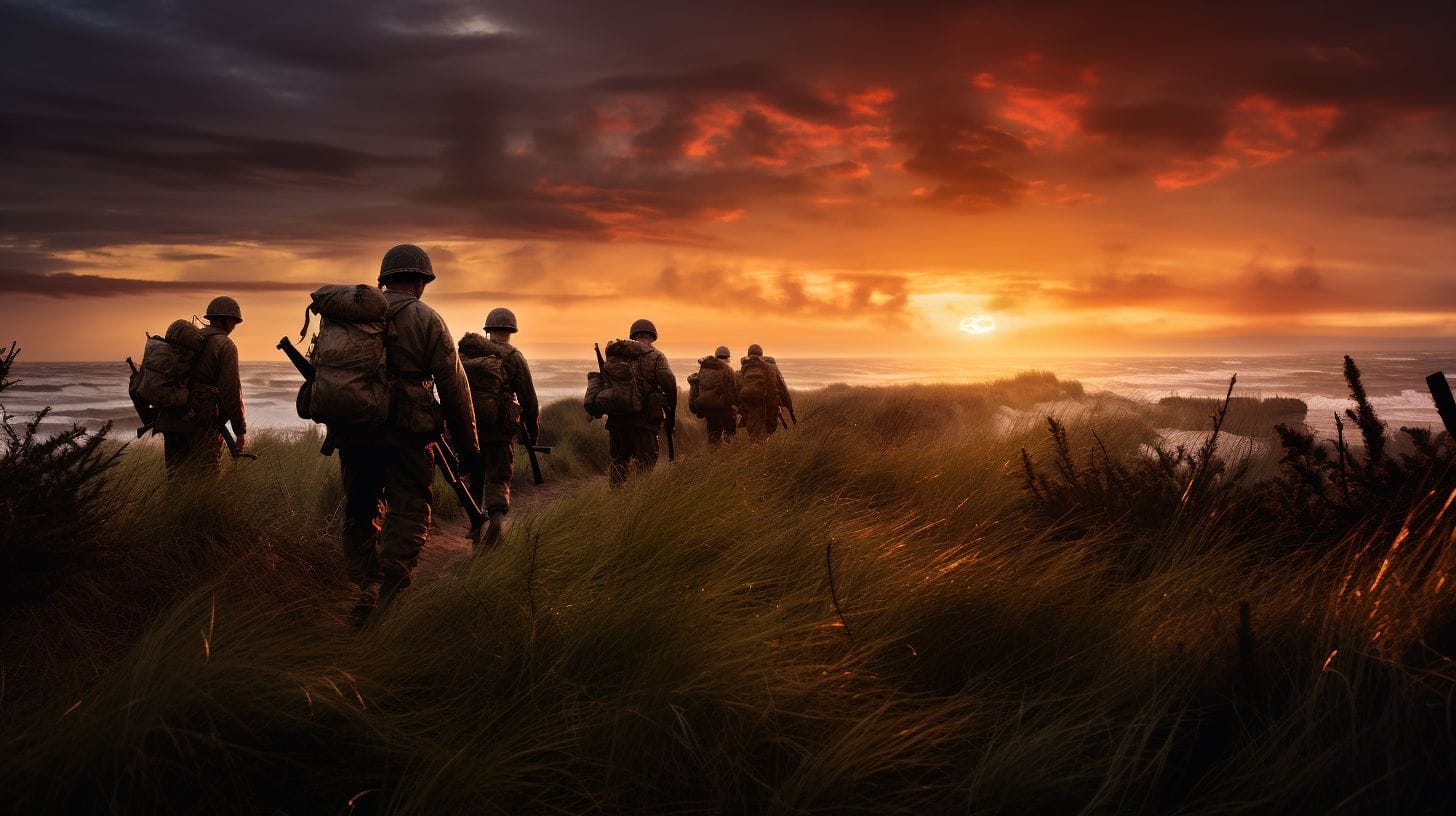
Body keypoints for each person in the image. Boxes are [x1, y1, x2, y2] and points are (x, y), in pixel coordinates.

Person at [332, 244, 477, 623]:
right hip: (407, 434)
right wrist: (468, 448)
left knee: (361, 508)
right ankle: (390, 593)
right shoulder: (426, 318)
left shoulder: (349, 317)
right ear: (422, 280)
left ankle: (364, 587)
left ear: (385, 278)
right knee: (409, 510)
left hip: (354, 432)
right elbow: (454, 387)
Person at [458, 307, 539, 549]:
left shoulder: (467, 353)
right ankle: (495, 522)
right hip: (500, 431)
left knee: (474, 478)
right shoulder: (514, 356)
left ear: (488, 329)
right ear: (511, 330)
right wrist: (532, 429)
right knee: (498, 478)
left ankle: (475, 528)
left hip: (469, 428)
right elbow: (529, 399)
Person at [155, 296, 245, 475]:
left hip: (171, 418)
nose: (234, 327)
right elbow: (231, 392)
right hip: (202, 422)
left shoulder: (189, 339)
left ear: (210, 317)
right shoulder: (225, 345)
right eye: (234, 322)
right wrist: (239, 431)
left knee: (175, 479)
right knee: (206, 478)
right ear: (229, 320)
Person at [605, 318, 676, 484]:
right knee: (646, 464)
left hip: (617, 419)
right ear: (652, 336)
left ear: (633, 335)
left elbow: (606, 383)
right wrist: (670, 416)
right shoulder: (657, 356)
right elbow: (670, 385)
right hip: (644, 420)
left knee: (619, 462)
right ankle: (638, 499)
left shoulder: (617, 355)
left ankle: (615, 501)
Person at [737, 343, 791, 442]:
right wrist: (783, 405)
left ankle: (754, 449)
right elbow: (780, 387)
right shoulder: (770, 367)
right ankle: (761, 451)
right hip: (766, 403)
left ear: (748, 354)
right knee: (764, 431)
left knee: (753, 429)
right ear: (761, 355)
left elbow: (738, 387)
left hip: (750, 405)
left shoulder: (744, 368)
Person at [689, 345, 740, 447]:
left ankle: (713, 456)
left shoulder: (705, 369)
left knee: (713, 435)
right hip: (723, 409)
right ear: (728, 358)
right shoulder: (728, 370)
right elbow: (733, 391)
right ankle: (728, 453)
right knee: (730, 433)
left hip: (708, 408)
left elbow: (699, 387)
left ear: (716, 356)